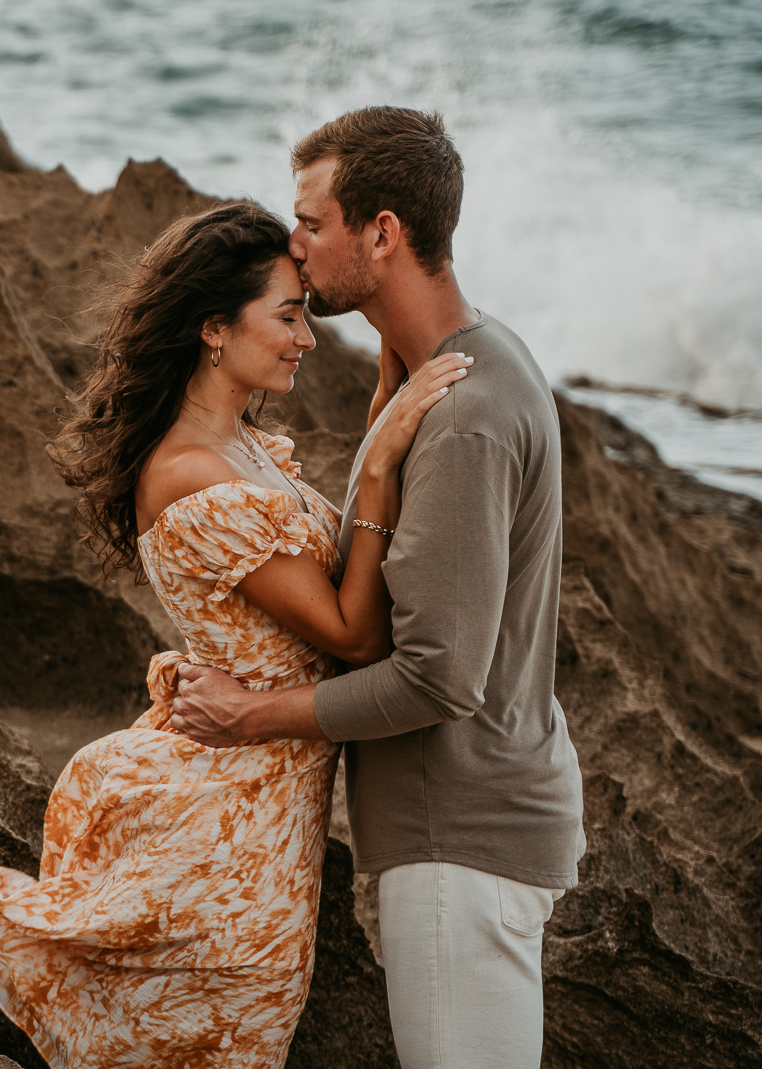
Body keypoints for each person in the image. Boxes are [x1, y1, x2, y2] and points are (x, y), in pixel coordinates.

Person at [0, 199, 471, 1068]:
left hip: (266, 823)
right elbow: (356, 635)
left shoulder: (244, 445)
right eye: (287, 317)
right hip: (226, 836)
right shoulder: (191, 477)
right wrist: (387, 464)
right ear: (214, 329)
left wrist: (401, 340)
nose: (306, 338)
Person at [169, 107, 587, 1069]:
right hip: (473, 821)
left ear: (384, 233)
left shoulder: (465, 415)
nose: (295, 244)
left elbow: (439, 680)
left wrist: (250, 716)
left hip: (460, 844)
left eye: (314, 222)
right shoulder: (477, 361)